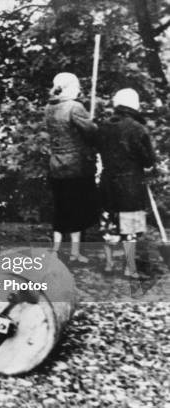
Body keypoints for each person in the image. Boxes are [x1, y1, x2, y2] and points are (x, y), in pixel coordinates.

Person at [96, 89, 156, 278]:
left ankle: (108, 265)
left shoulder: (103, 126)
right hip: (130, 185)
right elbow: (148, 160)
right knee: (129, 229)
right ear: (134, 105)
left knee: (110, 225)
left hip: (108, 182)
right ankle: (129, 268)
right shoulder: (138, 129)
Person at [44, 73, 99, 263]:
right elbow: (92, 133)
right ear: (69, 88)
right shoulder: (75, 107)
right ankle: (75, 253)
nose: (79, 90)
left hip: (56, 165)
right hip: (76, 167)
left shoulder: (49, 107)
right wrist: (92, 124)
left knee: (61, 207)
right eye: (76, 86)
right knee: (77, 207)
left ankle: (55, 250)